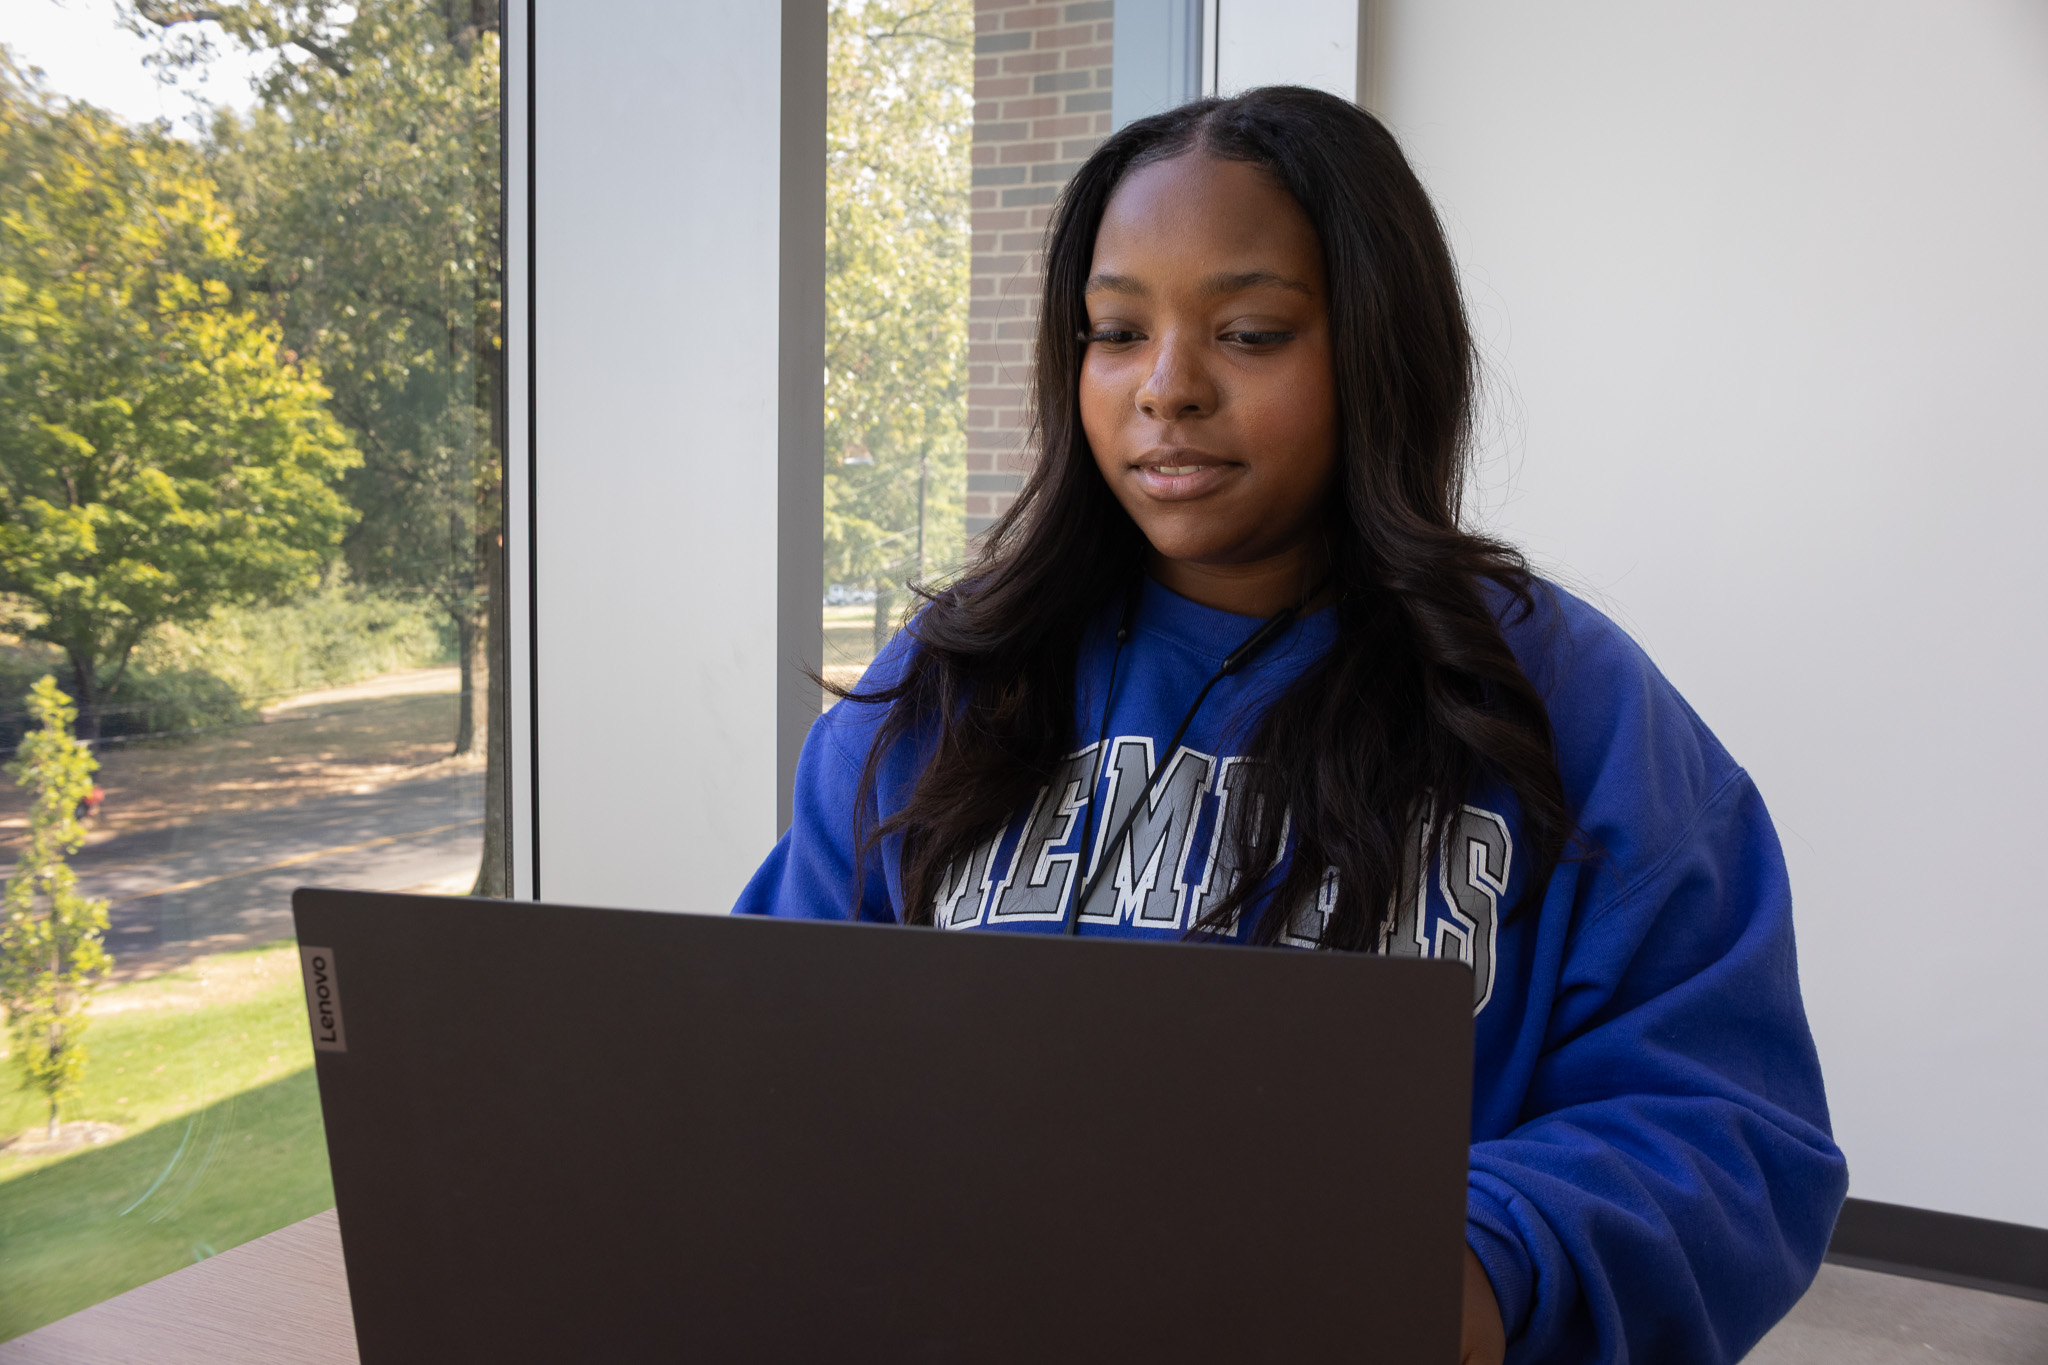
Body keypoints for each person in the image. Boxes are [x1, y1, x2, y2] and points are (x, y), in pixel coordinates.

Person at [734, 86, 1847, 1363]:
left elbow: (1727, 1131)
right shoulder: (945, 684)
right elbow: (772, 1053)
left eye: (1249, 332)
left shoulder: (1571, 704)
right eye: (1113, 330)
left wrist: (1475, 1266)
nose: (1166, 389)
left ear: (1377, 346)